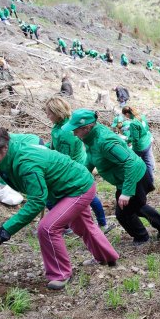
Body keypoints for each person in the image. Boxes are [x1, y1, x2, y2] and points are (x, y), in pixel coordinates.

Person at [0, 128, 119, 290]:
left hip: (78, 187)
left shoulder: (26, 164)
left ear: (4, 148)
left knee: (48, 228)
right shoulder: (6, 154)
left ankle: (60, 274)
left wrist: (8, 228)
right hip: (63, 188)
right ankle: (107, 257)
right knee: (81, 225)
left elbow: (37, 202)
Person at [63, 109, 160, 245]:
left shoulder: (105, 142)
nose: (73, 133)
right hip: (125, 179)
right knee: (135, 206)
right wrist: (81, 174)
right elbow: (91, 158)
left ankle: (142, 237)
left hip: (135, 176)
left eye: (76, 130)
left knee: (123, 214)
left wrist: (126, 192)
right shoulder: (91, 138)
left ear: (86, 127)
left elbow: (130, 163)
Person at [44, 97, 111, 233]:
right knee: (88, 195)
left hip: (73, 168)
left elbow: (64, 157)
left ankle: (70, 225)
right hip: (76, 165)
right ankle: (101, 223)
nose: (47, 116)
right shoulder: (61, 126)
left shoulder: (65, 133)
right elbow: (53, 145)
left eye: (49, 113)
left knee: (53, 198)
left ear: (58, 113)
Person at [121, 106, 154, 177]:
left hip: (140, 147)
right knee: (149, 162)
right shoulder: (142, 116)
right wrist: (129, 128)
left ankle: (130, 176)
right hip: (147, 142)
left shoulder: (133, 123)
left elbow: (135, 139)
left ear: (127, 114)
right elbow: (145, 128)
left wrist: (126, 138)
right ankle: (150, 178)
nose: (125, 117)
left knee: (129, 160)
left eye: (125, 115)